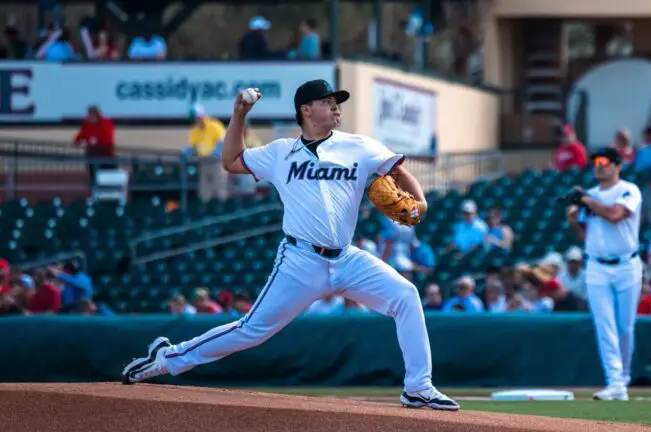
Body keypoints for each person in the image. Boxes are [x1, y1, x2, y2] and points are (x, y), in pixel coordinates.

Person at [121, 79, 459, 411]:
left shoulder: (359, 145)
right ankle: (167, 358)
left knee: (406, 296)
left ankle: (418, 388)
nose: (335, 106)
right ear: (306, 110)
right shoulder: (280, 152)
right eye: (328, 101)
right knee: (251, 330)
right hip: (301, 260)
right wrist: (239, 115)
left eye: (335, 100)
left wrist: (421, 203)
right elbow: (231, 161)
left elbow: (397, 169)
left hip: (347, 258)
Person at [565, 147, 642, 401]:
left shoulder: (628, 190)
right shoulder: (593, 195)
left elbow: (615, 215)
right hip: (596, 265)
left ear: (617, 166)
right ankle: (615, 382)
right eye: (595, 162)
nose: (599, 165)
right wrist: (574, 221)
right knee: (604, 324)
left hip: (626, 265)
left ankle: (624, 378)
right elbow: (588, 236)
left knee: (625, 327)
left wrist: (585, 201)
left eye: (604, 161)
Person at [73, 105, 116, 185]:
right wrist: (79, 142)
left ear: (96, 115)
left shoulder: (106, 123)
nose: (89, 117)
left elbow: (107, 139)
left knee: (108, 180)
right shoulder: (87, 124)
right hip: (92, 157)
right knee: (94, 179)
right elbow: (80, 136)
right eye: (88, 115)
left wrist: (94, 141)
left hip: (106, 157)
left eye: (91, 115)